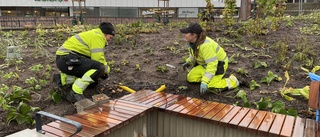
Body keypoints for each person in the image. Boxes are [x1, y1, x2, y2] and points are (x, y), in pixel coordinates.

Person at [53, 22, 115, 102]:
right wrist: (106, 70)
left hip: (64, 60)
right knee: (99, 68)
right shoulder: (98, 37)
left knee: (93, 81)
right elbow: (98, 60)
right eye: (110, 37)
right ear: (105, 33)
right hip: (67, 59)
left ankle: (62, 79)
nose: (110, 40)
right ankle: (75, 92)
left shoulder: (94, 34)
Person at [180, 22, 239, 94]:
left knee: (211, 85)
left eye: (186, 33)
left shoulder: (206, 46)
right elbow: (195, 55)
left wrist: (205, 81)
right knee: (191, 78)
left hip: (219, 65)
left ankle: (233, 81)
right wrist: (189, 61)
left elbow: (212, 64)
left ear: (194, 35)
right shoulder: (194, 42)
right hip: (205, 65)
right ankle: (210, 77)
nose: (184, 35)